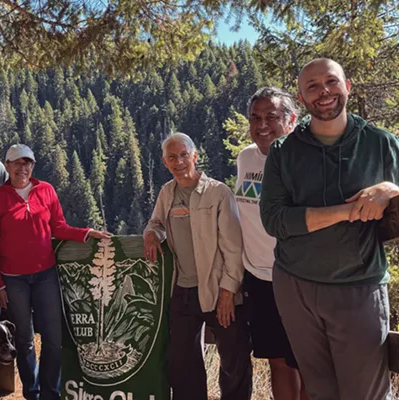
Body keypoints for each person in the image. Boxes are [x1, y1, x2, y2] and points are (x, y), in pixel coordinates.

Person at [260, 58, 399, 400]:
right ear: (302, 98)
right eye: (313, 86)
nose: (324, 92)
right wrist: (346, 211)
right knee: (321, 391)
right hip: (296, 288)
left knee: (365, 394)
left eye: (331, 82)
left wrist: (391, 190)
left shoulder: (380, 143)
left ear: (347, 86)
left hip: (358, 286)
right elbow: (275, 220)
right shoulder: (283, 152)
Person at [0, 144, 110, 400]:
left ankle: (51, 394)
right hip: (13, 278)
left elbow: (59, 227)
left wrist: (86, 233)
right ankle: (32, 393)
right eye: (17, 163)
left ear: (33, 165)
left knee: (53, 338)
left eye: (28, 163)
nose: (23, 168)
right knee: (24, 340)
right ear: (7, 166)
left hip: (45, 274)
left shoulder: (46, 190)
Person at [144, 133, 252, 400]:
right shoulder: (167, 192)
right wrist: (150, 234)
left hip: (218, 288)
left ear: (194, 156)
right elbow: (155, 223)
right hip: (182, 289)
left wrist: (229, 290)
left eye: (183, 155)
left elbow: (234, 246)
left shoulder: (218, 192)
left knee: (233, 359)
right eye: (172, 157)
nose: (178, 161)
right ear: (165, 162)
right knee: (182, 362)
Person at [236, 87, 309, 400]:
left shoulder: (303, 161)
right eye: (255, 117)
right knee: (277, 361)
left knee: (307, 363)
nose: (261, 124)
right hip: (258, 278)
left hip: (298, 279)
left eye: (271, 117)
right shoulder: (246, 158)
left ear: (290, 120)